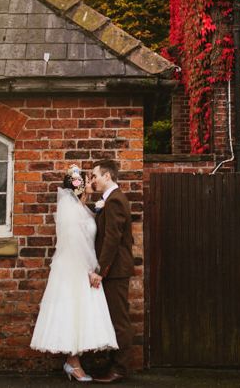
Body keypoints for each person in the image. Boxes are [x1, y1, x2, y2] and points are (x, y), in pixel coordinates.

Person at [30, 165, 117, 382]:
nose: (91, 183)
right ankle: (73, 362)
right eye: (87, 181)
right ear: (79, 187)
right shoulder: (69, 210)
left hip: (82, 267)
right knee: (73, 313)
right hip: (74, 268)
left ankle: (73, 361)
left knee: (80, 315)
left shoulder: (83, 208)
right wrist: (92, 269)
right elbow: (75, 244)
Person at [88, 160, 134, 384]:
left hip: (114, 270)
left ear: (107, 176)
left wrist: (100, 270)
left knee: (119, 320)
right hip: (113, 270)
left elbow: (112, 240)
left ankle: (121, 368)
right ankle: (114, 363)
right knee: (113, 318)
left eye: (95, 175)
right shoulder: (110, 200)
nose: (92, 179)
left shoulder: (115, 201)